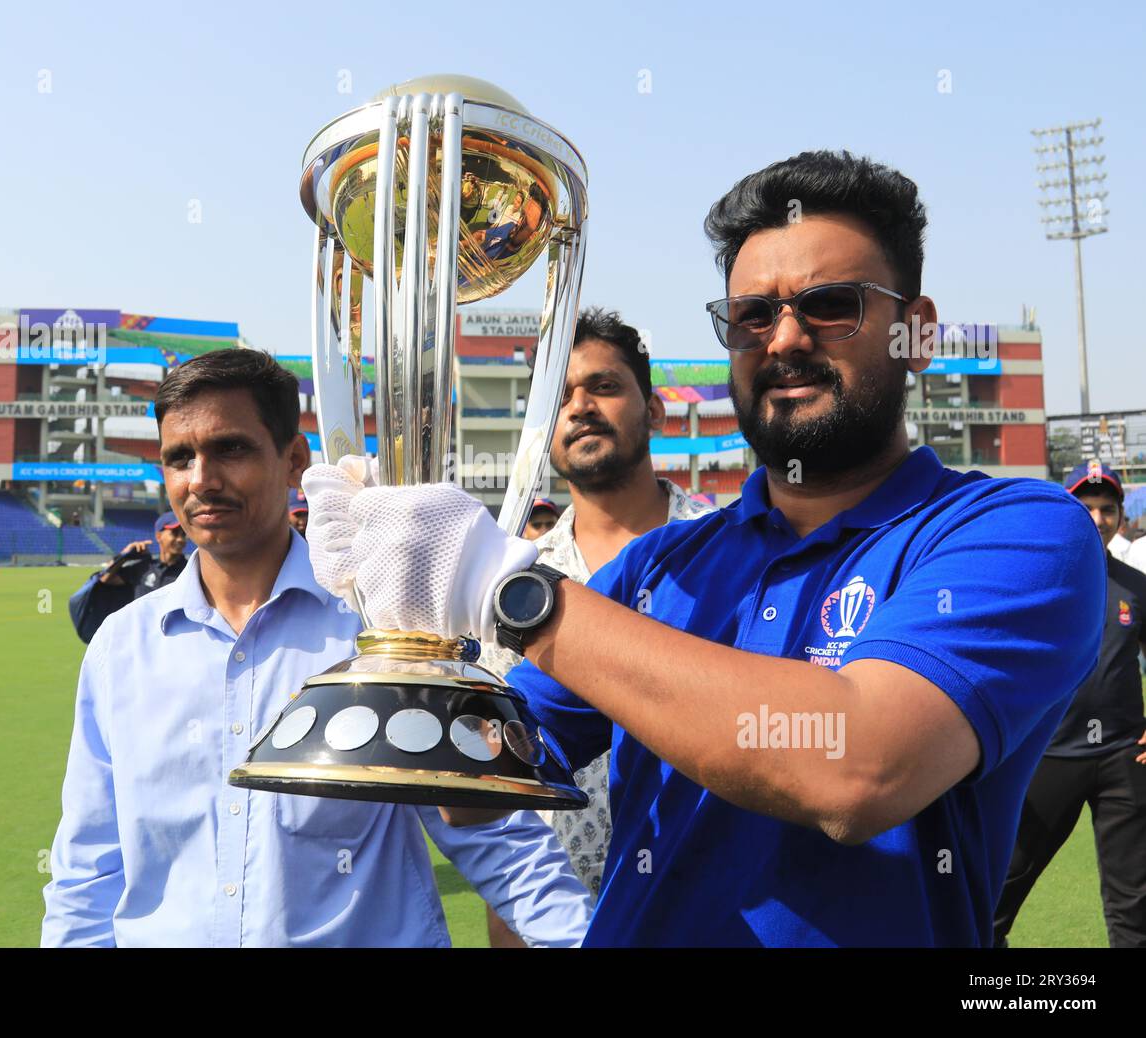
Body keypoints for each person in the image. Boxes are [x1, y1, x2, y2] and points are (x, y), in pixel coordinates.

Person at [303, 150, 1106, 947]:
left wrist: (500, 584)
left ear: (916, 333)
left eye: (830, 306)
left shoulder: (1012, 528)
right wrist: (414, 631)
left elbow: (858, 767)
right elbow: (479, 788)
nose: (785, 339)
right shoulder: (658, 568)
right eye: (753, 316)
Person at [42, 348, 591, 947]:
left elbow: (496, 837)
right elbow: (88, 868)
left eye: (230, 448)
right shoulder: (121, 649)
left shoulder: (384, 630)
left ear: (293, 460)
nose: (201, 479)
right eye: (180, 458)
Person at [483, 306, 713, 949]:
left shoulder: (733, 550)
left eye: (604, 387)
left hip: (716, 911)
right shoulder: (508, 582)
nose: (580, 406)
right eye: (559, 397)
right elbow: (507, 794)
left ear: (657, 412)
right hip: (559, 922)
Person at [993, 462, 1146, 948]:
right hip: (1050, 754)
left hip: (1124, 756)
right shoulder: (1034, 580)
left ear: (1121, 518)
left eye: (1108, 509)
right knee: (1002, 888)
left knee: (1134, 900)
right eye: (1087, 506)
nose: (1098, 517)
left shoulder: (1136, 586)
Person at [66, 511, 189, 644]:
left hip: (175, 640)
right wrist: (125, 556)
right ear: (158, 536)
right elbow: (105, 579)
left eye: (183, 534)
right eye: (175, 533)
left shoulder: (189, 570)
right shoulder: (143, 568)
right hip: (141, 640)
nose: (180, 539)